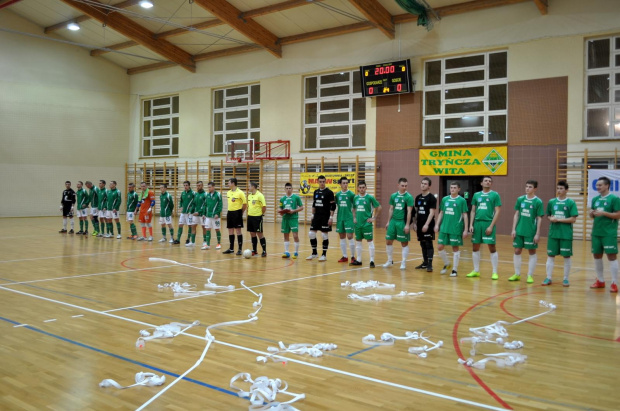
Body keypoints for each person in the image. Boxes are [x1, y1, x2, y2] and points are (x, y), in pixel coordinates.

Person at [588, 176, 620, 293]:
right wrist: (591, 213)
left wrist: (604, 213)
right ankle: (600, 281)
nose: (598, 187)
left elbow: (618, 215)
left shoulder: (614, 199)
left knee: (611, 256)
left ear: (607, 186)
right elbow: (592, 216)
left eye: (600, 185)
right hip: (596, 232)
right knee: (597, 256)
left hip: (609, 233)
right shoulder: (595, 199)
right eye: (597, 185)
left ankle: (614, 283)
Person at [544, 180, 578, 287]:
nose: (559, 190)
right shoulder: (552, 202)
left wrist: (558, 220)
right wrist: (551, 218)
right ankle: (548, 278)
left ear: (566, 190)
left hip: (566, 234)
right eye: (558, 188)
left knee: (566, 256)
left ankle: (566, 279)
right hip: (554, 233)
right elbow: (548, 215)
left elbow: (573, 219)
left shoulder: (571, 203)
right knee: (550, 255)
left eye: (561, 188)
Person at [509, 180, 544, 283]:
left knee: (532, 252)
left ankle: (530, 275)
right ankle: (517, 274)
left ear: (535, 189)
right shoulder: (520, 199)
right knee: (517, 251)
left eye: (530, 187)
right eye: (526, 186)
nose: (527, 188)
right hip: (519, 230)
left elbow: (539, 218)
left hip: (531, 231)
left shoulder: (538, 201)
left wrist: (537, 233)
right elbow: (516, 214)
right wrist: (513, 229)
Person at [467, 176, 502, 280]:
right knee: (475, 247)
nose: (488, 182)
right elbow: (473, 210)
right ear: (481, 183)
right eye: (486, 181)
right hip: (477, 223)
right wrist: (471, 224)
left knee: (492, 247)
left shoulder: (495, 195)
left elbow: (498, 211)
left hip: (488, 223)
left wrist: (491, 226)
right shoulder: (476, 195)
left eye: (490, 181)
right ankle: (476, 270)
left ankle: (495, 272)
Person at [435, 182, 468, 277]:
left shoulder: (462, 201)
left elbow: (465, 215)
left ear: (459, 189)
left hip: (456, 228)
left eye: (454, 188)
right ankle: (447, 263)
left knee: (455, 248)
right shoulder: (445, 199)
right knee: (440, 247)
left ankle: (454, 269)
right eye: (451, 187)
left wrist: (465, 229)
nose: (452, 189)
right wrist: (437, 225)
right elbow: (441, 212)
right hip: (444, 227)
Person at [383, 177, 414, 270]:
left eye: (406, 186)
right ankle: (389, 260)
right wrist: (388, 221)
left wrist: (407, 225)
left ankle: (403, 262)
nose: (404, 187)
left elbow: (409, 212)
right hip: (393, 221)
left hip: (402, 222)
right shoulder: (393, 196)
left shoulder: (409, 197)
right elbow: (391, 209)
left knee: (404, 243)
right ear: (398, 185)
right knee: (388, 241)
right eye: (402, 185)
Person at [351, 180, 381, 268]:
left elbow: (379, 207)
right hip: (358, 224)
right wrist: (354, 218)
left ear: (366, 188)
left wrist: (374, 218)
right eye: (360, 187)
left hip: (367, 224)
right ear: (357, 188)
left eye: (363, 187)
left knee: (370, 242)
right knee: (358, 242)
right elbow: (353, 209)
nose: (362, 189)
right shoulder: (355, 198)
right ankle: (359, 260)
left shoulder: (370, 198)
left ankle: (372, 261)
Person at [306, 175, 336, 261]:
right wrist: (312, 215)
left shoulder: (329, 192)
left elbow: (333, 206)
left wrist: (331, 217)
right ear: (318, 182)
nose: (322, 183)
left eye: (323, 181)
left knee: (324, 235)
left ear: (325, 182)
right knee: (311, 234)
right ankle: (314, 253)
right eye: (320, 181)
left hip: (325, 217)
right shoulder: (315, 192)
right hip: (316, 216)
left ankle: (324, 255)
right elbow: (314, 204)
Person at [413, 177, 436, 272]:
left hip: (428, 225)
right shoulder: (418, 197)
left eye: (425, 184)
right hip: (419, 224)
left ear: (429, 186)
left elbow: (432, 213)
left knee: (428, 243)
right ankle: (425, 262)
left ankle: (430, 264)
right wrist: (414, 223)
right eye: (422, 183)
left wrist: (426, 225)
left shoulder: (432, 198)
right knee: (422, 243)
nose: (423, 185)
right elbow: (416, 211)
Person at [335, 176, 356, 263]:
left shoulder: (351, 194)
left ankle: (352, 257)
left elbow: (355, 207)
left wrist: (354, 217)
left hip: (349, 218)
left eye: (346, 183)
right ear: (340, 184)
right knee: (342, 237)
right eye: (343, 183)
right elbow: (334, 206)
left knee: (350, 236)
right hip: (340, 218)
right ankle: (345, 256)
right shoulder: (337, 195)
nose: (345, 185)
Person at [223, 178, 247, 255]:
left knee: (238, 231)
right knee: (230, 230)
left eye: (229, 183)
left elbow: (245, 204)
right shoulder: (228, 193)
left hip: (237, 213)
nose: (227, 184)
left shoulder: (240, 193)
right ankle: (231, 248)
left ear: (233, 183)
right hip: (230, 212)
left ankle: (240, 249)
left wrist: (241, 212)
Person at [280, 182, 303, 259]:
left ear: (292, 189)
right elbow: (280, 208)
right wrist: (280, 212)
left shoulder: (296, 197)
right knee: (286, 235)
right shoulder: (282, 199)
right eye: (287, 188)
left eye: (290, 188)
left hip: (293, 218)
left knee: (295, 236)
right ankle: (286, 252)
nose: (288, 190)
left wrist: (293, 211)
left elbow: (301, 207)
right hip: (285, 219)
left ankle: (296, 252)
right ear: (284, 189)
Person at [247, 182, 267, 257]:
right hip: (250, 217)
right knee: (252, 233)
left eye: (249, 186)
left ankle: (264, 251)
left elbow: (264, 207)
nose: (248, 187)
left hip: (257, 217)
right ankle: (254, 250)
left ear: (253, 187)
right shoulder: (249, 196)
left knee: (259, 234)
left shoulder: (260, 195)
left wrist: (260, 215)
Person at [202, 182, 223, 250]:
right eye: (208, 187)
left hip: (215, 216)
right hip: (208, 216)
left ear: (213, 187)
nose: (209, 188)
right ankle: (208, 244)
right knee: (207, 229)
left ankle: (219, 243)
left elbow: (220, 205)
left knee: (217, 229)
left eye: (210, 187)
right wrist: (204, 213)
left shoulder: (218, 195)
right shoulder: (207, 195)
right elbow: (205, 205)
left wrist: (217, 213)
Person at [174, 181, 194, 245]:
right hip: (183, 212)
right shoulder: (182, 193)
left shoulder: (193, 193)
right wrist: (180, 206)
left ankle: (188, 239)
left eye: (186, 185)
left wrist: (191, 210)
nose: (185, 187)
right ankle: (178, 239)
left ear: (189, 186)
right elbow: (181, 201)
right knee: (180, 225)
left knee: (190, 226)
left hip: (189, 213)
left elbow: (194, 203)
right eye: (184, 185)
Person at [190, 181, 207, 248]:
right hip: (196, 214)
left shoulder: (205, 194)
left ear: (202, 186)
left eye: (199, 185)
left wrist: (199, 212)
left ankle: (205, 241)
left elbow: (206, 205)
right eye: (197, 185)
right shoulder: (196, 194)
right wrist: (190, 211)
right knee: (193, 226)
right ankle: (193, 242)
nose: (198, 187)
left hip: (202, 214)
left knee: (204, 227)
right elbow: (194, 204)